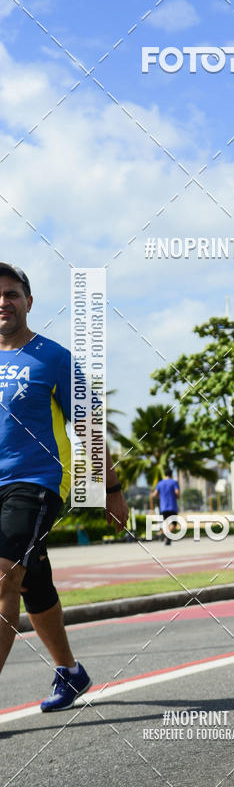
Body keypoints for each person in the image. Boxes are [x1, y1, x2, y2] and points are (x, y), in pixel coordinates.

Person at [0, 264, 128, 710]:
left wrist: (111, 489)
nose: (3, 302)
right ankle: (71, 673)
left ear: (28, 302)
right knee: (32, 581)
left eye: (12, 293)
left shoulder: (53, 358)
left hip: (34, 483)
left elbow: (91, 426)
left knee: (3, 576)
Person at [152, 469, 180, 545]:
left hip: (163, 507)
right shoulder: (174, 482)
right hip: (172, 506)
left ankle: (163, 534)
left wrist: (159, 497)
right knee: (174, 523)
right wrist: (177, 497)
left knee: (165, 523)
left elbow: (154, 494)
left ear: (165, 474)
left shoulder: (160, 483)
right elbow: (177, 492)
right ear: (171, 474)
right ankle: (167, 536)